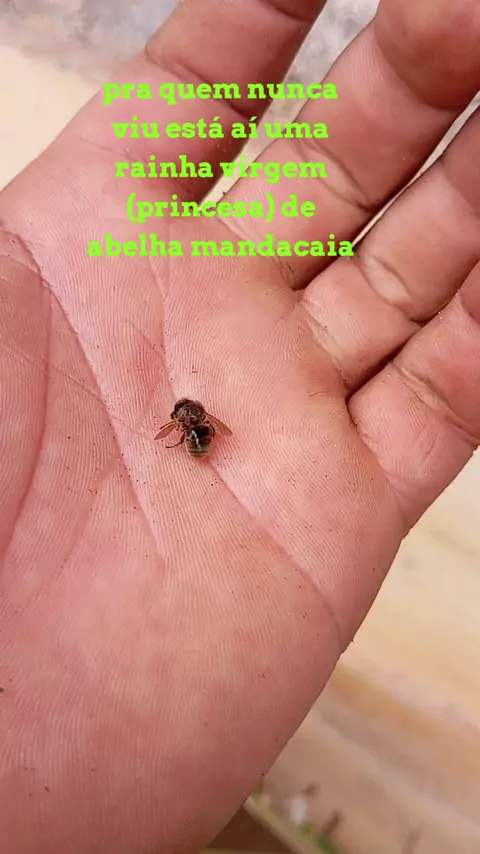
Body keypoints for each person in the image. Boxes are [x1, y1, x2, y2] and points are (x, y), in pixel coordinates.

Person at [0, 0, 479, 852]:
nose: (187, 428)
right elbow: (199, 424)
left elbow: (202, 424)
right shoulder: (190, 423)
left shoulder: (194, 422)